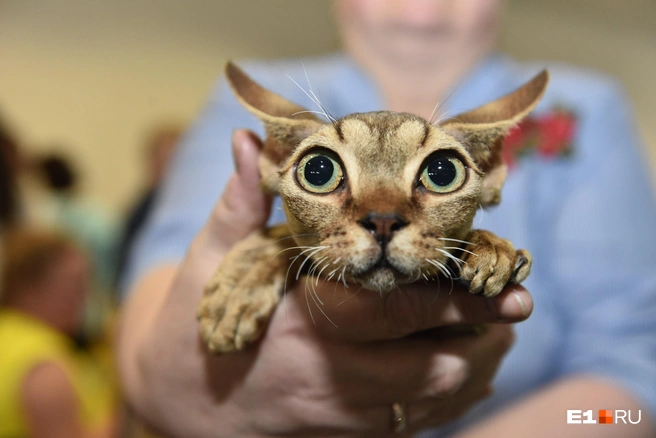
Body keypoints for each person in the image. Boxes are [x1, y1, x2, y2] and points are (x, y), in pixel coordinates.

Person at [118, 0, 656, 436]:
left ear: (490, 169)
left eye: (441, 175)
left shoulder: (585, 108)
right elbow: (147, 323)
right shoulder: (257, 92)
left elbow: (633, 399)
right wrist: (179, 389)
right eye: (324, 172)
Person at [0, 228, 118, 438]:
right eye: (74, 284)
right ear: (27, 287)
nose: (82, 298)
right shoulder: (40, 361)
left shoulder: (11, 334)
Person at [114, 123, 182, 290]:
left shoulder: (192, 212)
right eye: (161, 158)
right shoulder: (139, 209)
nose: (165, 167)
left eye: (173, 159)